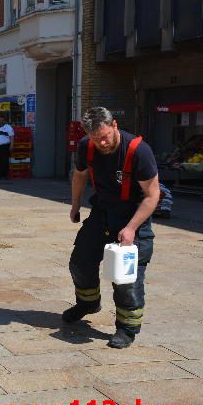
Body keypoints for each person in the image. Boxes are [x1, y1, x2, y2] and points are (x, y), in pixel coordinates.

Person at [66, 107, 160, 349]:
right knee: (80, 261)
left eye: (105, 136)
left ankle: (127, 328)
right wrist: (75, 204)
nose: (102, 142)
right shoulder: (86, 146)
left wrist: (131, 228)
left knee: (126, 277)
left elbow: (152, 196)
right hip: (103, 212)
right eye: (96, 139)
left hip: (133, 215)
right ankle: (88, 303)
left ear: (115, 125)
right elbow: (79, 175)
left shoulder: (139, 151)